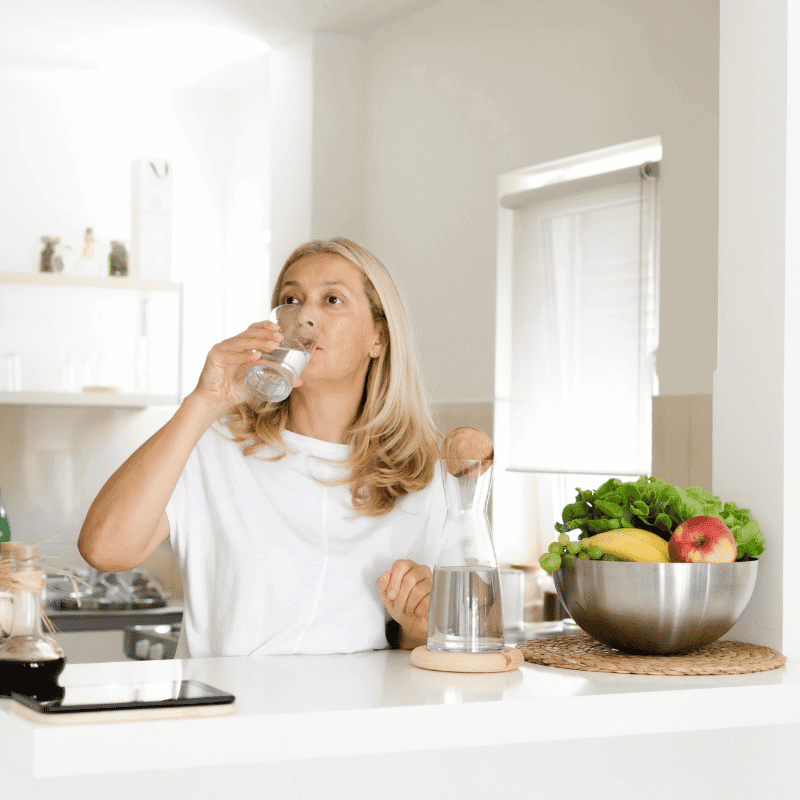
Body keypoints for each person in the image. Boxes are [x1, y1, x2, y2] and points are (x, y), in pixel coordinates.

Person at [79, 238, 444, 657]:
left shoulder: (422, 477)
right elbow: (104, 550)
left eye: (332, 299)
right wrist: (205, 402)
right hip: (225, 701)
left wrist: (417, 627)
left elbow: (455, 631)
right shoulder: (217, 447)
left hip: (356, 702)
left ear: (378, 336)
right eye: (291, 299)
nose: (304, 315)